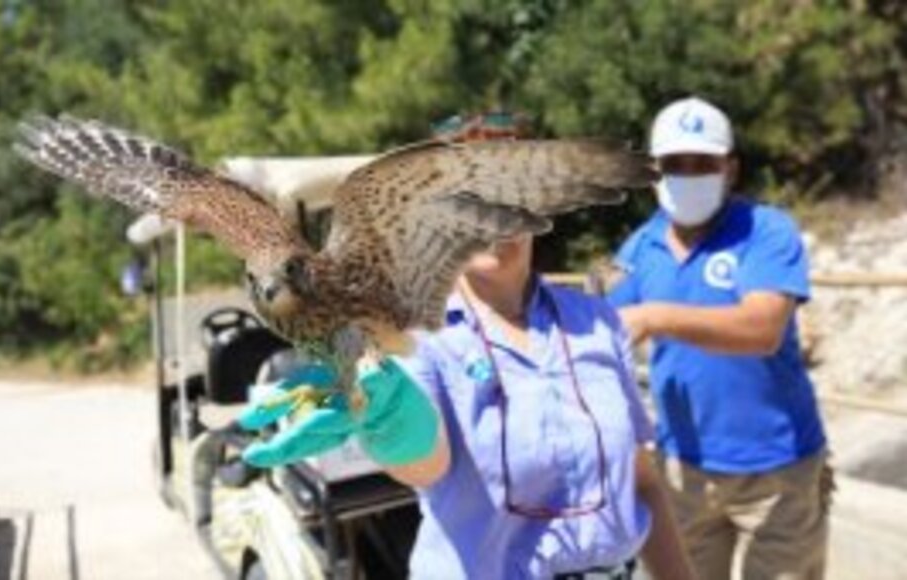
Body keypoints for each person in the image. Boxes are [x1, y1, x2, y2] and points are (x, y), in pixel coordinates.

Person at [238, 113, 696, 580]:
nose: (488, 220)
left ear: (534, 208)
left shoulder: (594, 321)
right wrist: (394, 425)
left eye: (506, 196)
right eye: (468, 200)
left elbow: (641, 480)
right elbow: (425, 464)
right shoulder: (409, 335)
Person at [607, 96, 832, 579]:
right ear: (652, 170)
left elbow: (763, 328)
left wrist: (656, 316)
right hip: (681, 473)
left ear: (730, 169)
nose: (689, 174)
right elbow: (602, 333)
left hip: (779, 472)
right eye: (674, 164)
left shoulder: (766, 232)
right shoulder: (638, 248)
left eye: (703, 163)